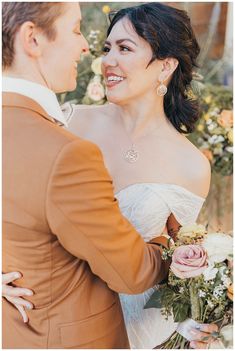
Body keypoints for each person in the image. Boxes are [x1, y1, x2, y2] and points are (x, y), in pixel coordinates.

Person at [2, 2, 218, 349]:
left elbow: (183, 261)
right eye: (106, 48)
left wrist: (191, 315)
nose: (106, 61)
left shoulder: (191, 166)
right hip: (55, 324)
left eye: (124, 48)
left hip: (138, 332)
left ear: (165, 66)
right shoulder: (67, 122)